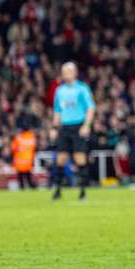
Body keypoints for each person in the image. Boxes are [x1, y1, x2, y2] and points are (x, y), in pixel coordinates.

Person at [51, 62, 95, 201]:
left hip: (78, 126)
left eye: (68, 71)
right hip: (65, 127)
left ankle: (82, 192)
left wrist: (86, 125)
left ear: (74, 73)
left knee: (79, 158)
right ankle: (57, 191)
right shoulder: (60, 90)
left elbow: (90, 108)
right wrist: (54, 128)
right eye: (64, 71)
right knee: (61, 159)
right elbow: (57, 110)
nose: (65, 74)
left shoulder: (82, 89)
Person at [11, 125, 36, 189]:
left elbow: (13, 148)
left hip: (20, 161)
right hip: (28, 160)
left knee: (21, 177)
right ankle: (32, 188)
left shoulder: (18, 138)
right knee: (28, 176)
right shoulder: (31, 138)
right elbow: (34, 149)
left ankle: (22, 188)